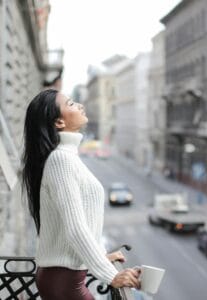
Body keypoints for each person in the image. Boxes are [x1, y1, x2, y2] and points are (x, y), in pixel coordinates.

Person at [22, 89, 140, 300]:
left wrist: (102, 258)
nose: (80, 106)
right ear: (59, 122)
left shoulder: (68, 157)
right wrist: (111, 275)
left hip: (65, 277)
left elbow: (86, 221)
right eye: (71, 104)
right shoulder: (61, 160)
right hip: (63, 281)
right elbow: (75, 228)